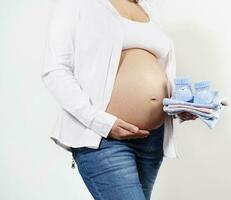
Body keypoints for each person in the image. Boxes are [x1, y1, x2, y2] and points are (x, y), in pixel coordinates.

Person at [41, 0, 196, 199]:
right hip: (103, 138)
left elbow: (160, 69)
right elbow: (55, 71)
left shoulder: (149, 8)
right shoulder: (77, 4)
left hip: (151, 140)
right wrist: (102, 123)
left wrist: (179, 106)